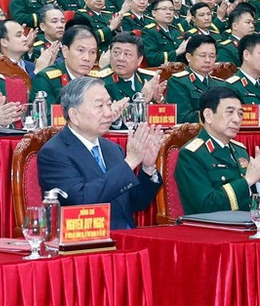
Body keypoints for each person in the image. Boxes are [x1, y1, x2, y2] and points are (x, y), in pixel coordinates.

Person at [37, 77, 165, 230]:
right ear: (74, 115)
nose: (108, 113)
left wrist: (148, 168)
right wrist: (129, 163)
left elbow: (136, 203)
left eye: (109, 105)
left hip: (125, 236)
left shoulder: (112, 149)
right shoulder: (54, 153)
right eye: (99, 106)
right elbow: (81, 202)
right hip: (88, 242)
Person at [174, 86, 260, 214]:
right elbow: (207, 205)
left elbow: (250, 200)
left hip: (245, 224)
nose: (237, 119)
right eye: (230, 112)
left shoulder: (240, 150)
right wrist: (248, 180)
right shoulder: (191, 155)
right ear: (208, 116)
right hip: (211, 229)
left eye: (240, 113)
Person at [31, 25, 98, 106]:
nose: (87, 58)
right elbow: (49, 117)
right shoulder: (45, 79)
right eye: (81, 50)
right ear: (65, 51)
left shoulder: (97, 80)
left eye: (92, 52)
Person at [165, 35, 225, 123]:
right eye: (202, 55)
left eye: (212, 56)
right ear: (188, 57)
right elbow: (182, 118)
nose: (208, 60)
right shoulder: (177, 82)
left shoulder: (220, 84)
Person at [100, 32, 163, 103]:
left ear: (139, 60)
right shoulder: (100, 82)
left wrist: (159, 100)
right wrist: (141, 100)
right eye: (116, 52)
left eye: (127, 54)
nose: (121, 58)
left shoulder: (148, 79)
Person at [141, 0, 187, 66]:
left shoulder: (176, 30)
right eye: (164, 9)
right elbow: (153, 58)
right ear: (154, 13)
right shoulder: (148, 31)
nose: (168, 12)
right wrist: (177, 52)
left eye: (171, 9)